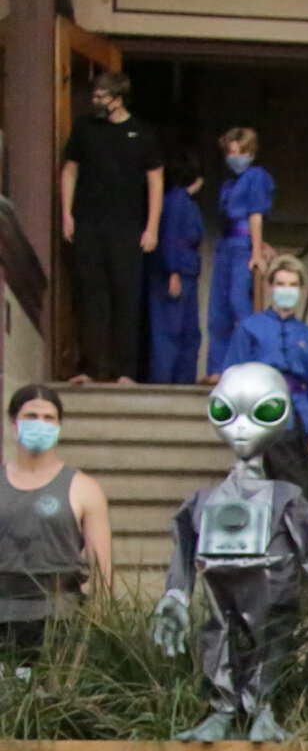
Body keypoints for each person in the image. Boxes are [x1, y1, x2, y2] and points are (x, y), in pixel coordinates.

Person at [58, 71, 163, 384]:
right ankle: (91, 368)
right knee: (91, 296)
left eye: (102, 96)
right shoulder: (85, 128)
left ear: (118, 99)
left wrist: (152, 227)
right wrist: (66, 213)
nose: (95, 100)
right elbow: (70, 171)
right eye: (96, 94)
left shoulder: (142, 133)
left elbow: (156, 180)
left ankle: (125, 371)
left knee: (126, 297)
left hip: (128, 228)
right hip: (88, 224)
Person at [0, 385, 112, 655]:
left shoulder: (84, 488)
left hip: (60, 620)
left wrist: (101, 627)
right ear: (14, 423)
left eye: (48, 418)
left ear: (59, 425)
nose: (40, 424)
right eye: (31, 416)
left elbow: (103, 570)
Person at [220, 255, 308, 506]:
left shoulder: (307, 335)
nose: (286, 290)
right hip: (263, 416)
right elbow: (232, 378)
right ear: (270, 287)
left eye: (293, 285)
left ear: (301, 290)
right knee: (285, 487)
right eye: (280, 284)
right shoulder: (249, 327)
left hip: (301, 418)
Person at [207, 127, 275, 379]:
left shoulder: (257, 176)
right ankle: (217, 369)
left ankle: (250, 362)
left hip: (243, 247)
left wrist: (256, 250)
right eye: (231, 152)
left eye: (240, 152)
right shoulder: (228, 182)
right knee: (218, 311)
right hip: (225, 245)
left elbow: (255, 215)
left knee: (240, 303)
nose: (234, 157)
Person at [145, 155, 205, 385]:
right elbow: (170, 238)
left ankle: (182, 381)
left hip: (187, 271)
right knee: (168, 332)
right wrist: (173, 271)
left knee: (188, 333)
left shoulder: (182, 201)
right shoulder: (177, 201)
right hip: (176, 272)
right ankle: (164, 384)